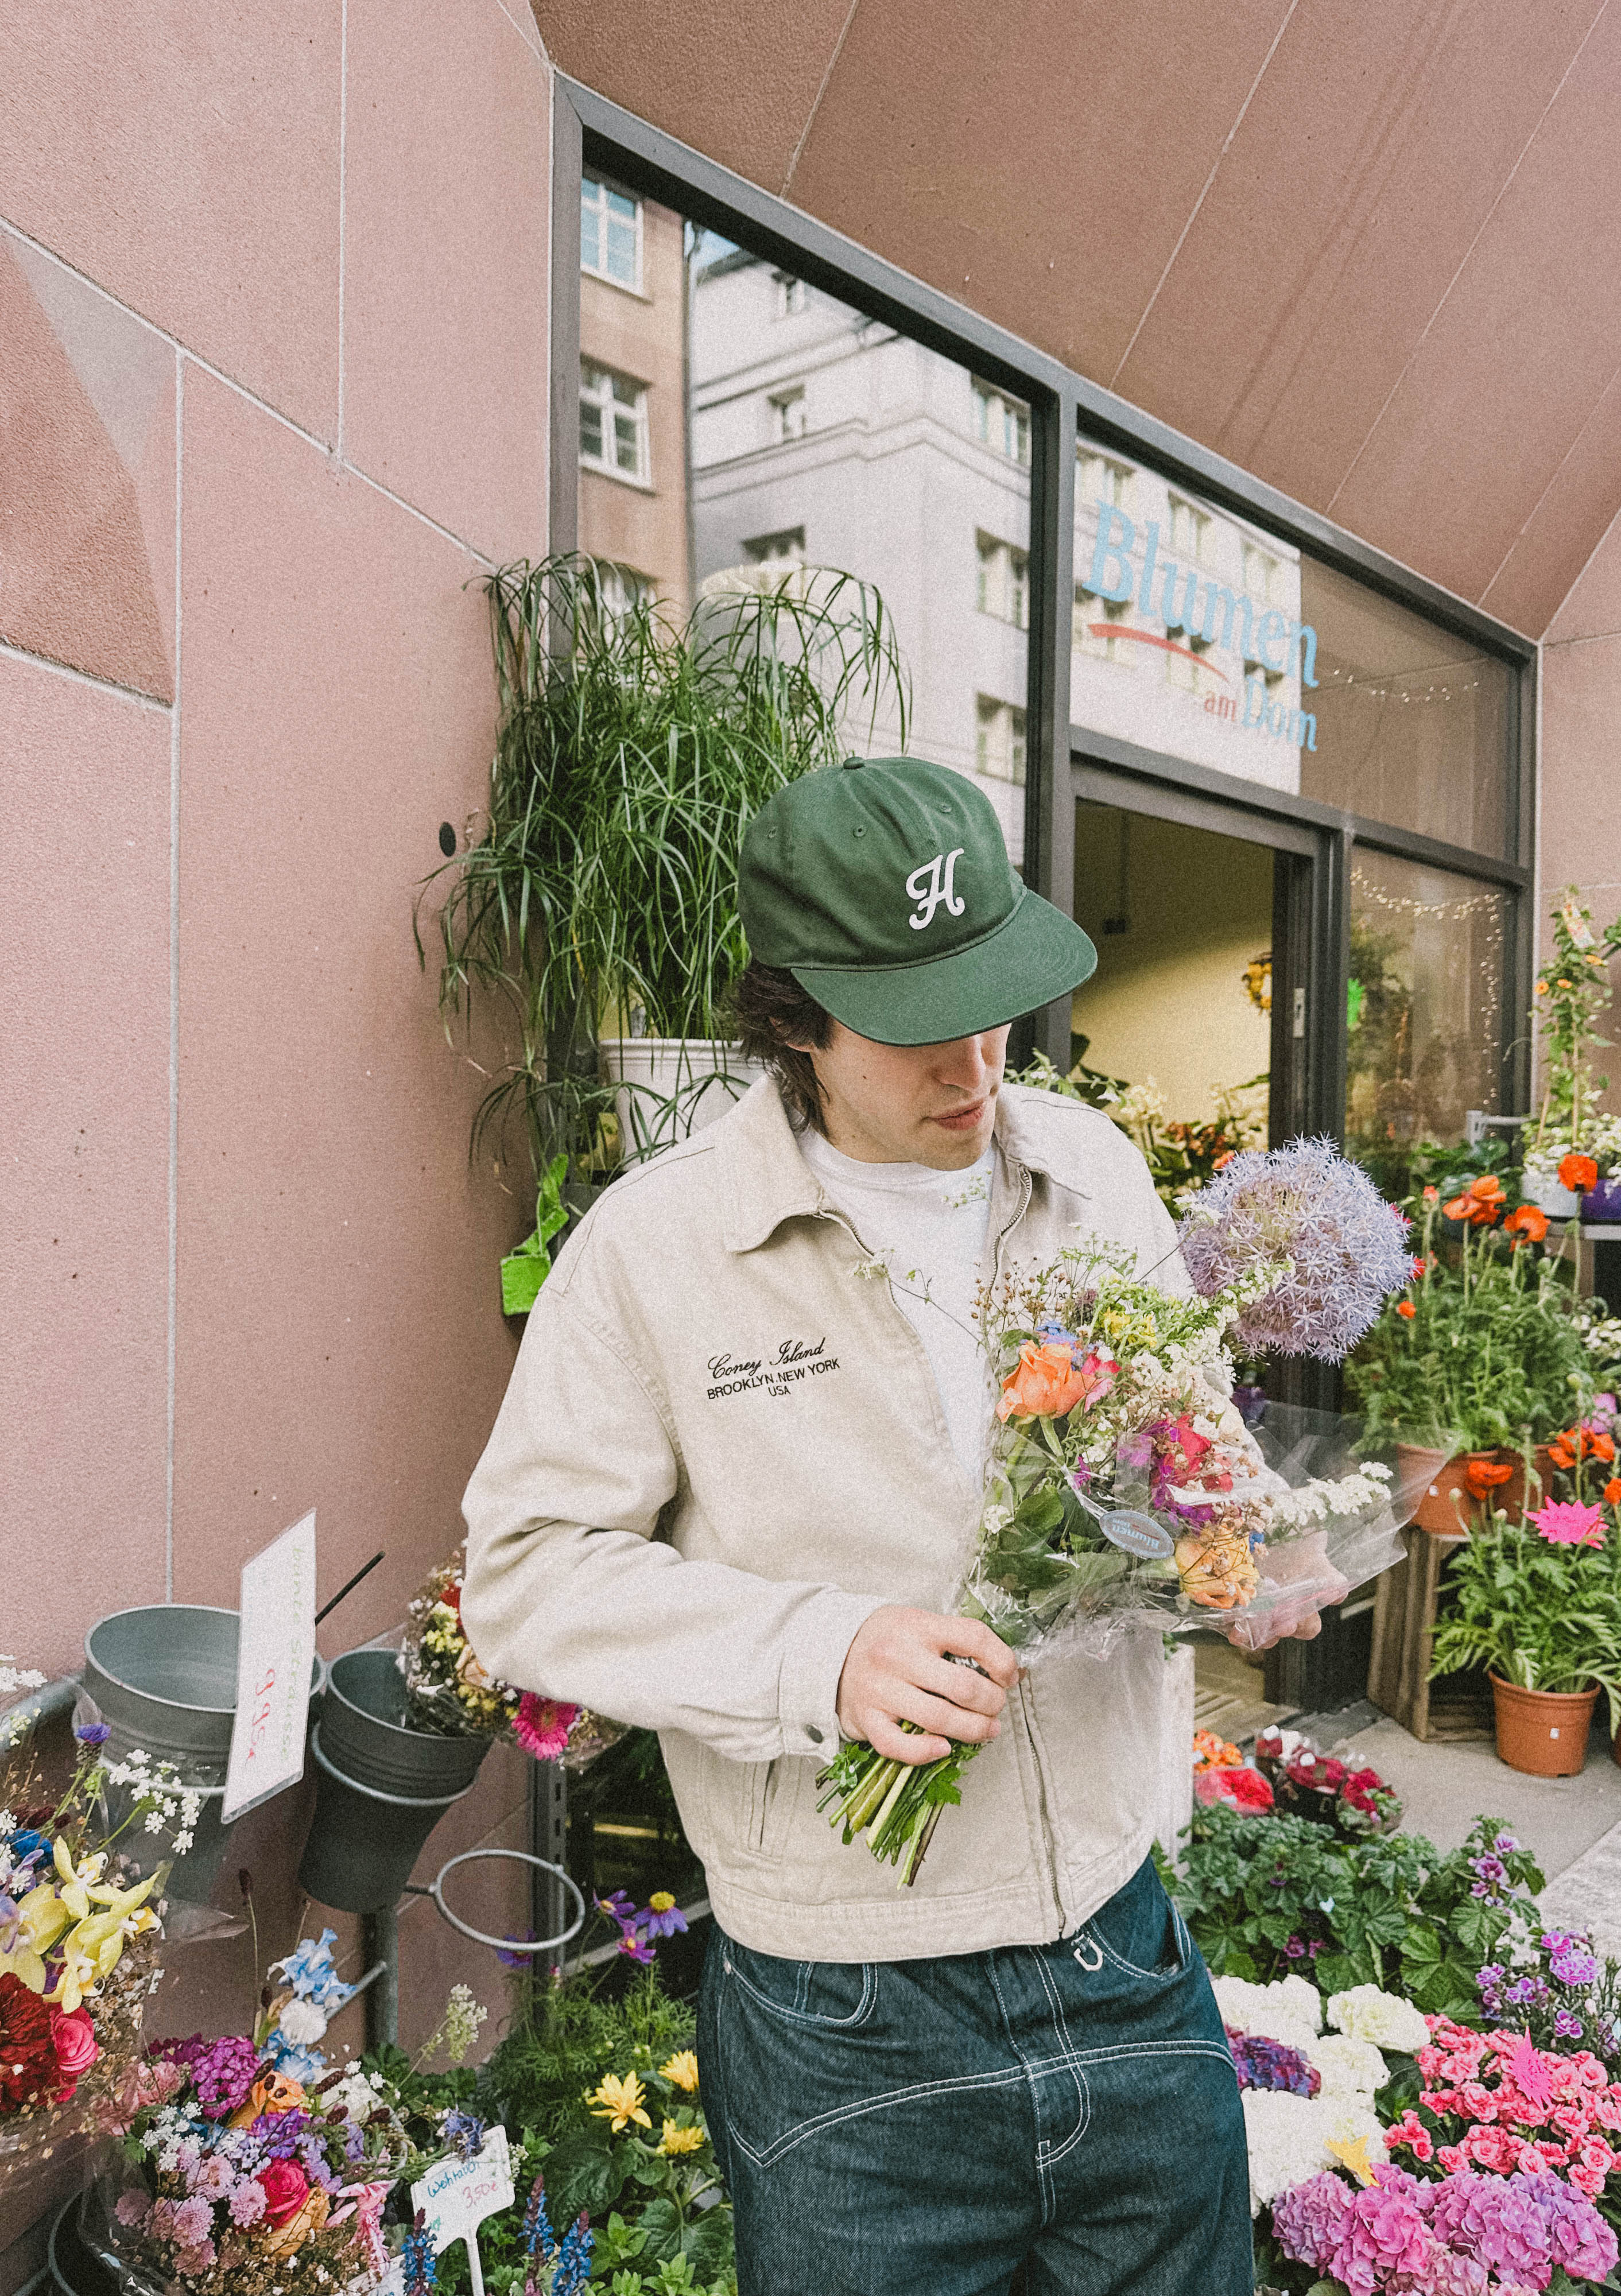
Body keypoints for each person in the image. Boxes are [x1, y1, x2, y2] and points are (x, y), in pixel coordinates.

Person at [462, 756, 1317, 2293]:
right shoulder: (657, 1247)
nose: (975, 1068)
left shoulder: (1094, 1171)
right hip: (848, 2037)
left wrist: (1244, 1548)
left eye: (993, 1005)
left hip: (1126, 1953)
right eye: (919, 1028)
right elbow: (523, 1583)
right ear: (792, 1017)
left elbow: (1190, 1443)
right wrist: (818, 1652)